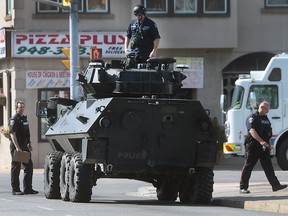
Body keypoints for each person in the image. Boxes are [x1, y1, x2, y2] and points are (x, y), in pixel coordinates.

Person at [239, 101, 287, 194]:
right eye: (267, 109)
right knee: (248, 166)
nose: (268, 112)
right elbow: (252, 131)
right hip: (253, 146)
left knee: (268, 166)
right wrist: (261, 141)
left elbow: (267, 133)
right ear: (261, 107)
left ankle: (275, 185)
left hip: (264, 146)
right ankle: (243, 187)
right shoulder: (252, 118)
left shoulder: (266, 119)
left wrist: (268, 144)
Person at [9, 101, 38, 195]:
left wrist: (29, 143)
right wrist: (17, 147)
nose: (21, 108)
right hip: (16, 145)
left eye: (22, 107)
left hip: (24, 145)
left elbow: (26, 133)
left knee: (29, 166)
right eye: (19, 107)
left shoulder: (24, 119)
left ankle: (28, 188)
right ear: (16, 108)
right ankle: (16, 189)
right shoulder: (14, 119)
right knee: (16, 167)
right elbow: (13, 134)